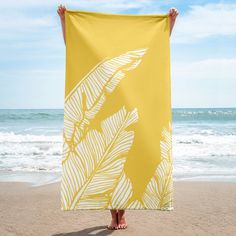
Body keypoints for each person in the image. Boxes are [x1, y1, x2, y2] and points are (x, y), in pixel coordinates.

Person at [57, 4, 178, 230]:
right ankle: (115, 216)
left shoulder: (131, 60)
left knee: (129, 160)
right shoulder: (102, 59)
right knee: (108, 160)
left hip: (133, 105)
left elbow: (155, 47)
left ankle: (122, 214)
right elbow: (75, 46)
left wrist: (168, 25)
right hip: (107, 107)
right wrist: (65, 22)